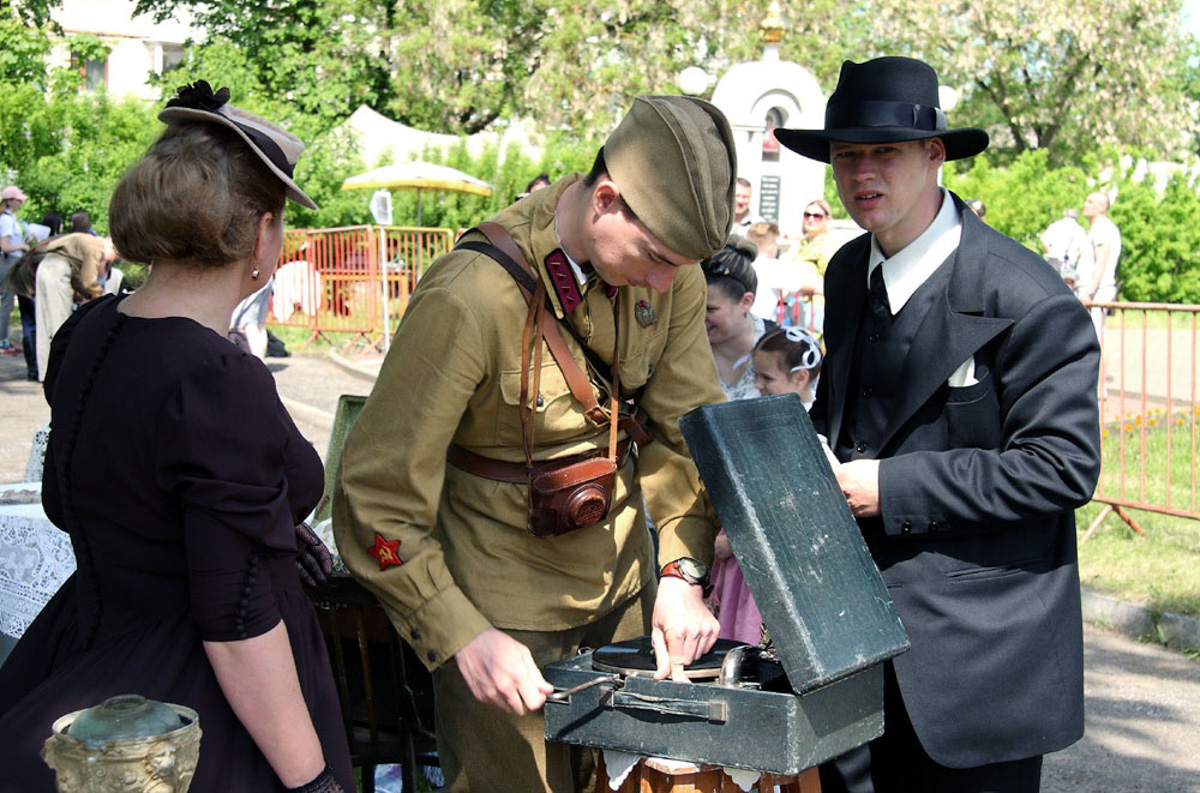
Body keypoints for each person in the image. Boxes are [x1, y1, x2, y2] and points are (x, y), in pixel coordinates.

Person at [333, 95, 735, 792]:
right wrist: (456, 630)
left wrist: (680, 570)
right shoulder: (470, 298)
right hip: (503, 628)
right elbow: (375, 503)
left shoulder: (674, 275)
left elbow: (685, 430)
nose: (666, 282)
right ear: (606, 199)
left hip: (628, 605)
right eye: (657, 258)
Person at [0, 81, 353, 793]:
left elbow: (84, 500)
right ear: (259, 235)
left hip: (88, 646)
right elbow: (234, 622)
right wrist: (312, 782)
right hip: (197, 709)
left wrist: (272, 534)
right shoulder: (217, 376)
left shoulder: (88, 334)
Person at [775, 56, 1101, 792]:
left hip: (978, 669)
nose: (862, 172)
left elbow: (1063, 465)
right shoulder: (847, 269)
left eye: (884, 151)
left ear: (934, 156)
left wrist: (890, 487)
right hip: (850, 646)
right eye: (847, 154)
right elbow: (843, 415)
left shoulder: (1028, 298)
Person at [33, 232, 116, 381]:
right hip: (57, 271)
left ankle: (45, 373)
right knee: (60, 324)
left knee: (44, 324)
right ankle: (61, 373)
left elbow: (79, 281)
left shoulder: (86, 241)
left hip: (45, 266)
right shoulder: (96, 246)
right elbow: (89, 280)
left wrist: (87, 294)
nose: (108, 262)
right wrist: (103, 299)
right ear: (111, 246)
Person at [703, 236, 771, 401]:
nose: (700, 317)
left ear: (746, 302)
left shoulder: (781, 347)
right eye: (695, 307)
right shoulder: (684, 344)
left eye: (710, 309)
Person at [752, 325, 823, 409]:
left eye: (767, 378)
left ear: (800, 378)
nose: (757, 384)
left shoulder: (810, 419)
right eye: (755, 374)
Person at [1081, 190, 1121, 339]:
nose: (1085, 205)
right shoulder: (1100, 227)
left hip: (1098, 291)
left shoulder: (1102, 228)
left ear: (1102, 208)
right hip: (1097, 291)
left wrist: (1088, 291)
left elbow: (1101, 261)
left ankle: (1100, 363)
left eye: (1090, 202)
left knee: (1094, 336)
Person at [0, 185, 34, 356]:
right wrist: (22, 246)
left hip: (13, 261)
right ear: (10, 201)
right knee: (7, 302)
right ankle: (2, 340)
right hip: (8, 262)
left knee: (11, 300)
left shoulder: (11, 218)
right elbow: (5, 246)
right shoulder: (5, 219)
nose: (20, 203)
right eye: (19, 200)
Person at [1040, 207, 1091, 279]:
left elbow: (1045, 242)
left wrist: (1051, 253)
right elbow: (1082, 250)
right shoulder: (1080, 230)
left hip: (1054, 261)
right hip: (1069, 264)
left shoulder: (1055, 225)